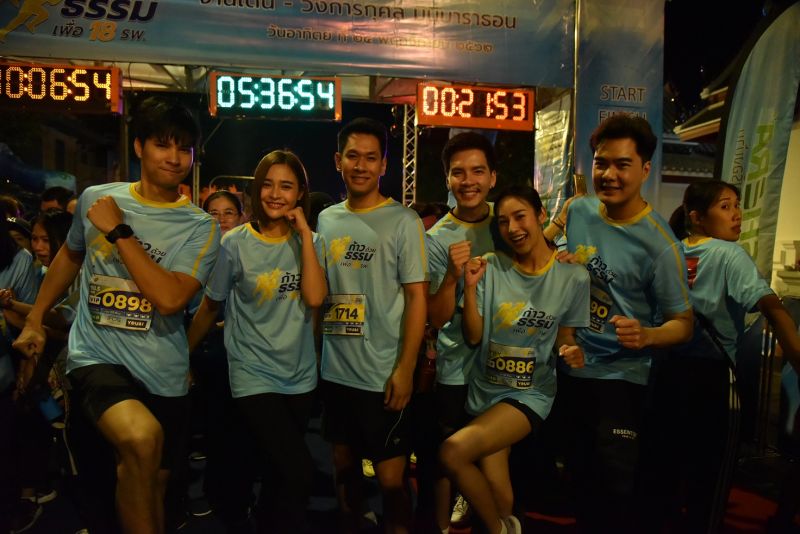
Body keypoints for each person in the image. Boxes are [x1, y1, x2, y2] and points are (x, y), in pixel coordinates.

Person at [13, 96, 220, 534]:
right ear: (139, 146)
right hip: (97, 358)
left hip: (163, 372)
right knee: (141, 439)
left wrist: (120, 232)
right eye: (163, 144)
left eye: (184, 148)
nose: (174, 157)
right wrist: (35, 317)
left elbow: (170, 298)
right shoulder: (97, 199)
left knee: (153, 487)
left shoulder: (201, 226)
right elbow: (70, 256)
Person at [552, 114, 693, 532]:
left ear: (645, 170)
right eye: (601, 163)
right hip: (571, 365)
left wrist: (647, 335)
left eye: (622, 165)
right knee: (577, 476)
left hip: (621, 376)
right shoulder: (579, 211)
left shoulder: (661, 245)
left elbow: (683, 323)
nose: (609, 175)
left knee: (615, 487)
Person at [642, 180, 800, 533]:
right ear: (697, 217)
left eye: (737, 205)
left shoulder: (668, 252)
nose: (737, 214)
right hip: (713, 378)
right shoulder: (730, 254)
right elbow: (772, 309)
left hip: (664, 373)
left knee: (665, 470)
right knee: (710, 476)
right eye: (725, 206)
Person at [188, 149, 327, 533]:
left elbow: (315, 298)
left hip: (300, 375)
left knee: (279, 476)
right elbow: (210, 306)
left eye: (286, 186)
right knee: (299, 471)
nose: (276, 194)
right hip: (253, 373)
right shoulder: (234, 243)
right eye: (268, 184)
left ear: (300, 193)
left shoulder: (312, 242)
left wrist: (304, 235)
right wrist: (182, 355)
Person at [439, 184, 589, 534]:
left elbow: (565, 336)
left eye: (520, 216)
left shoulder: (574, 276)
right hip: (485, 391)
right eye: (504, 222)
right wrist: (471, 287)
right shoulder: (490, 266)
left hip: (529, 395)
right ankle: (505, 524)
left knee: (451, 453)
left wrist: (570, 350)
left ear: (541, 215)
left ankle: (502, 530)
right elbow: (473, 336)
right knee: (497, 494)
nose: (513, 228)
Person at [317, 117, 428, 534]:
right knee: (344, 468)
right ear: (338, 161)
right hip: (335, 372)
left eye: (370, 158)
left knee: (391, 481)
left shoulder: (404, 221)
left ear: (383, 165)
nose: (360, 166)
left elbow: (416, 298)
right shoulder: (326, 220)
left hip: (383, 375)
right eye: (352, 156)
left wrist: (405, 369)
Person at [422, 132, 498, 532]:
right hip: (457, 368)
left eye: (477, 171)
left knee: (495, 461)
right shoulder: (435, 239)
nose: (468, 181)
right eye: (458, 173)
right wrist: (452, 276)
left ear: (492, 177)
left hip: (504, 368)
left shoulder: (509, 223)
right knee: (445, 456)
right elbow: (435, 318)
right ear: (447, 179)